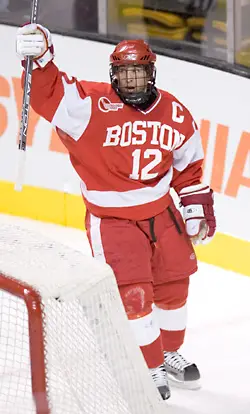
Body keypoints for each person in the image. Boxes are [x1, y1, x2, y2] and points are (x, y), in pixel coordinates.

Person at [16, 24, 216, 400]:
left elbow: (189, 167)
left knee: (175, 285)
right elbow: (50, 94)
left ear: (152, 72)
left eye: (138, 70)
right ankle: (148, 364)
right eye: (124, 72)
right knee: (134, 293)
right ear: (114, 75)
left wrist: (195, 207)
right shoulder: (91, 105)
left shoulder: (174, 112)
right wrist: (41, 58)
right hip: (113, 220)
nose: (131, 78)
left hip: (161, 212)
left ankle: (167, 352)